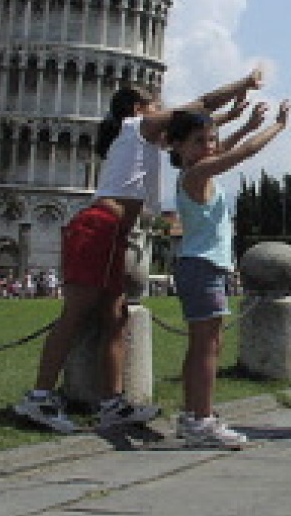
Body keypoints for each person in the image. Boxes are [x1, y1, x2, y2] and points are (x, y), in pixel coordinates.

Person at [13, 69, 263, 434]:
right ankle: (38, 398)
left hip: (114, 232)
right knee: (76, 313)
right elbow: (202, 106)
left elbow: (191, 134)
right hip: (100, 226)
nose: (161, 110)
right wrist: (243, 84)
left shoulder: (146, 140)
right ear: (137, 109)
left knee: (115, 319)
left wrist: (232, 120)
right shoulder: (135, 128)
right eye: (155, 106)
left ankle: (111, 403)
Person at [166, 98, 291, 448]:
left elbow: (227, 149)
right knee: (207, 348)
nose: (208, 147)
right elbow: (240, 154)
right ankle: (201, 420)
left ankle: (195, 415)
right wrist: (276, 127)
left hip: (203, 265)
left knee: (205, 345)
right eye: (198, 141)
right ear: (177, 146)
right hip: (202, 266)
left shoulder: (197, 170)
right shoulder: (194, 174)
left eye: (210, 139)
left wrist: (249, 125)